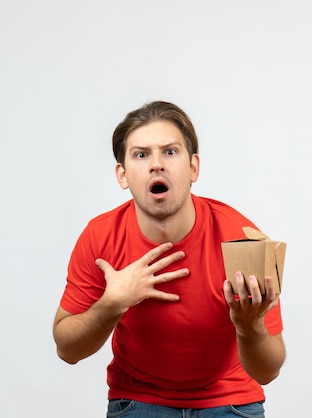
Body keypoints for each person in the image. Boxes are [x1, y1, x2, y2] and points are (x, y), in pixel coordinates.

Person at [53, 100, 286, 417]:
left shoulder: (242, 238)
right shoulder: (100, 236)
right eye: (141, 154)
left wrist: (250, 328)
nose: (156, 164)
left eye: (170, 152)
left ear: (193, 168)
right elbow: (66, 349)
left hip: (230, 401)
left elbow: (268, 372)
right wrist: (112, 303)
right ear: (123, 175)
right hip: (138, 400)